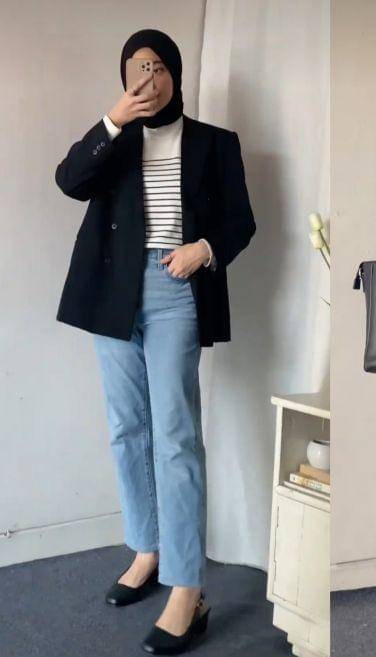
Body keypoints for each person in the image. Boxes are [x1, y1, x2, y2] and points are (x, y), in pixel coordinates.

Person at [54, 29, 255, 655]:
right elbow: (69, 180)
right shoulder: (114, 138)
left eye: (160, 66)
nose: (150, 78)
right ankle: (147, 550)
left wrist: (204, 249)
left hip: (175, 288)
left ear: (176, 74)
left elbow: (241, 220)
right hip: (111, 293)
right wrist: (114, 119)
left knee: (175, 435)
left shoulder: (215, 143)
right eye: (138, 67)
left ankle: (187, 588)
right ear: (125, 77)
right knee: (126, 428)